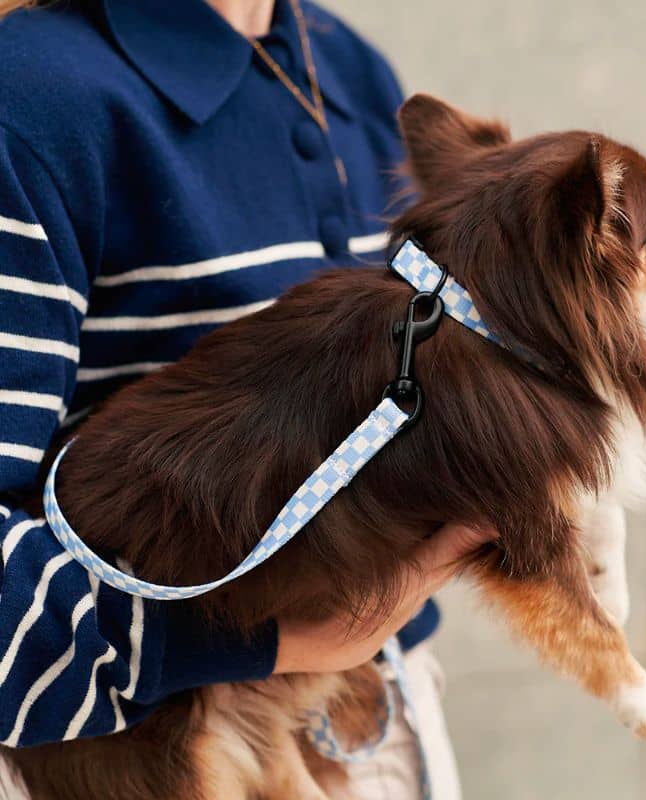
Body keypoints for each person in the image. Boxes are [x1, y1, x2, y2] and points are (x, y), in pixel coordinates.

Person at [0, 1, 494, 797]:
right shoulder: (26, 100)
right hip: (150, 759)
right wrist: (259, 637)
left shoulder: (344, 65)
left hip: (384, 730)